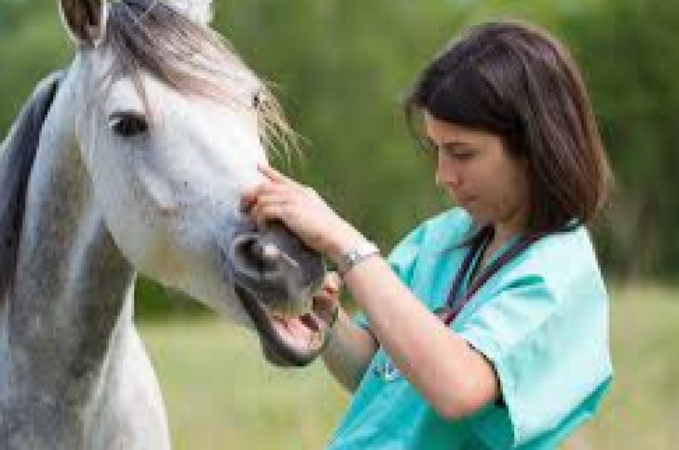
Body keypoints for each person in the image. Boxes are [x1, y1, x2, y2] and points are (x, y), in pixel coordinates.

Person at [242, 20, 612, 449]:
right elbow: (379, 375)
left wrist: (345, 244)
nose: (443, 175)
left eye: (462, 153)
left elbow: (457, 388)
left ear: (534, 145)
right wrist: (326, 320)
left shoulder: (557, 274)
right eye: (437, 150)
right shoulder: (443, 236)